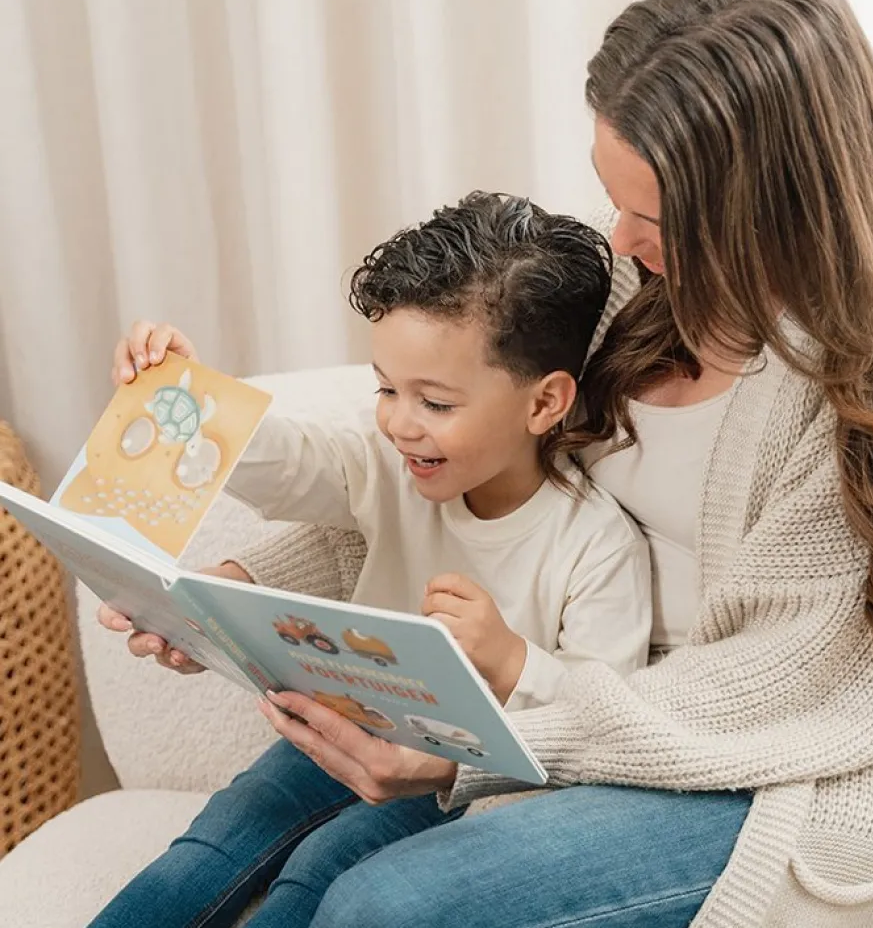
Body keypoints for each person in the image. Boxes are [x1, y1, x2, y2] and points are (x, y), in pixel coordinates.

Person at [98, 0, 873, 928]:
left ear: (767, 201)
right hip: (569, 696)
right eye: (613, 196)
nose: (618, 236)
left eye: (653, 217)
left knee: (387, 902)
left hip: (797, 759)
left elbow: (792, 681)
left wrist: (487, 744)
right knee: (282, 852)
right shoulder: (622, 288)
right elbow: (449, 478)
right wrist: (231, 600)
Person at [90, 192, 652, 928]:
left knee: (320, 872)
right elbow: (294, 463)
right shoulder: (389, 463)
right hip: (342, 722)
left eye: (436, 403)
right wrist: (195, 402)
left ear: (544, 403)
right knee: (211, 846)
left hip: (456, 782)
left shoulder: (595, 541)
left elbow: (606, 716)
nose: (398, 421)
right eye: (386, 387)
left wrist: (511, 658)